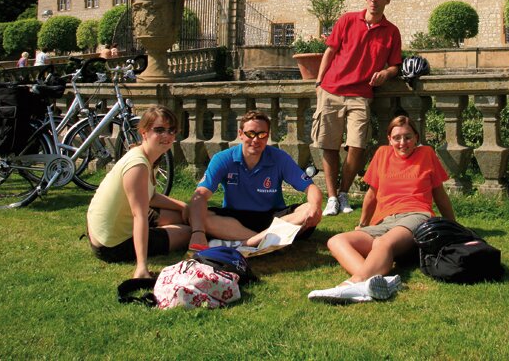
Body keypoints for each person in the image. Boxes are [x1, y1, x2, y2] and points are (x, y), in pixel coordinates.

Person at [308, 115, 455, 303]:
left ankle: (351, 284)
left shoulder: (426, 154)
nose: (403, 143)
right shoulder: (382, 154)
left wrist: (452, 226)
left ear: (417, 138)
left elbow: (439, 194)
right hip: (385, 220)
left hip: (417, 215)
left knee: (382, 243)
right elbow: (371, 195)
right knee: (337, 241)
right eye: (397, 138)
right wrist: (362, 224)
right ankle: (377, 282)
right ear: (389, 139)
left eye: (408, 137)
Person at [312, 0, 402, 216]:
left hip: (360, 95)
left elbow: (395, 65)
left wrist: (386, 72)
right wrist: (319, 82)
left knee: (357, 145)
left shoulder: (391, 31)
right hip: (332, 90)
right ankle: (332, 197)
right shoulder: (348, 20)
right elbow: (330, 50)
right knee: (328, 145)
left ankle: (343, 192)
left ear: (387, 0)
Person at [188, 110, 323, 249]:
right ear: (240, 134)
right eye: (250, 133)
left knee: (309, 210)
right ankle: (267, 241)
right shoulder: (223, 159)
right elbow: (200, 195)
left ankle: (249, 243)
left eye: (262, 134)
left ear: (267, 136)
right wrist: (197, 232)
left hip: (273, 218)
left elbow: (310, 188)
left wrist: (315, 207)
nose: (256, 140)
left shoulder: (279, 157)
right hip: (235, 220)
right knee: (193, 213)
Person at [86, 105, 190, 278]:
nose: (167, 135)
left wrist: (182, 206)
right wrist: (142, 266)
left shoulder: (146, 155)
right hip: (112, 245)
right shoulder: (138, 165)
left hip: (106, 230)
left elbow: (150, 197)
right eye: (159, 130)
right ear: (144, 132)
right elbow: (139, 215)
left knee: (181, 216)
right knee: (187, 232)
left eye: (171, 130)